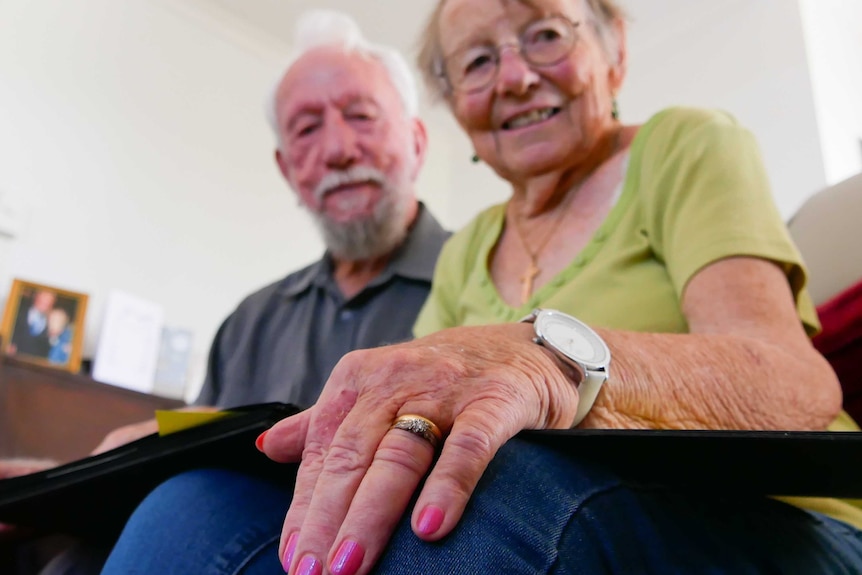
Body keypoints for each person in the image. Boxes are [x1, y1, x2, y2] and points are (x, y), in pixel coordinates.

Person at [101, 1, 862, 574]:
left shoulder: (686, 147)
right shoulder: (467, 253)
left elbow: (795, 383)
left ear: (613, 51)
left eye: (545, 33)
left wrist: (550, 363)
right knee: (190, 510)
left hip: (778, 521)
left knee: (478, 498)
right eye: (477, 63)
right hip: (550, 521)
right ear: (458, 111)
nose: (518, 76)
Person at [1, 9, 447, 575]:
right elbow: (186, 459)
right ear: (288, 171)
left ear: (416, 141)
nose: (337, 149)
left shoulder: (483, 281)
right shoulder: (251, 320)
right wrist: (62, 487)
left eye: (361, 116)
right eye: (307, 129)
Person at [7, 289, 56, 358]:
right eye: (44, 298)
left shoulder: (52, 322)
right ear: (36, 297)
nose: (46, 303)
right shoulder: (18, 312)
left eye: (50, 301)